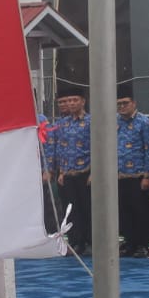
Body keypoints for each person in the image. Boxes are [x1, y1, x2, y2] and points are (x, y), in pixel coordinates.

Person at [51, 85, 94, 256]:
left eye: (75, 100)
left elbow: (96, 147)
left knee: (88, 209)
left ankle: (91, 242)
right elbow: (60, 149)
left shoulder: (91, 121)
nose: (71, 103)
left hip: (86, 172)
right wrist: (61, 172)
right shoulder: (62, 124)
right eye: (68, 101)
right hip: (67, 173)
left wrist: (94, 173)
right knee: (71, 210)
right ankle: (76, 242)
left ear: (83, 101)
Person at [116, 85, 149, 258]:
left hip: (138, 175)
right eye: (119, 104)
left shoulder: (144, 123)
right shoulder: (114, 122)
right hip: (119, 175)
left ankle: (142, 244)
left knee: (140, 211)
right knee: (124, 212)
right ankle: (129, 242)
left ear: (133, 103)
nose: (122, 107)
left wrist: (147, 175)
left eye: (125, 103)